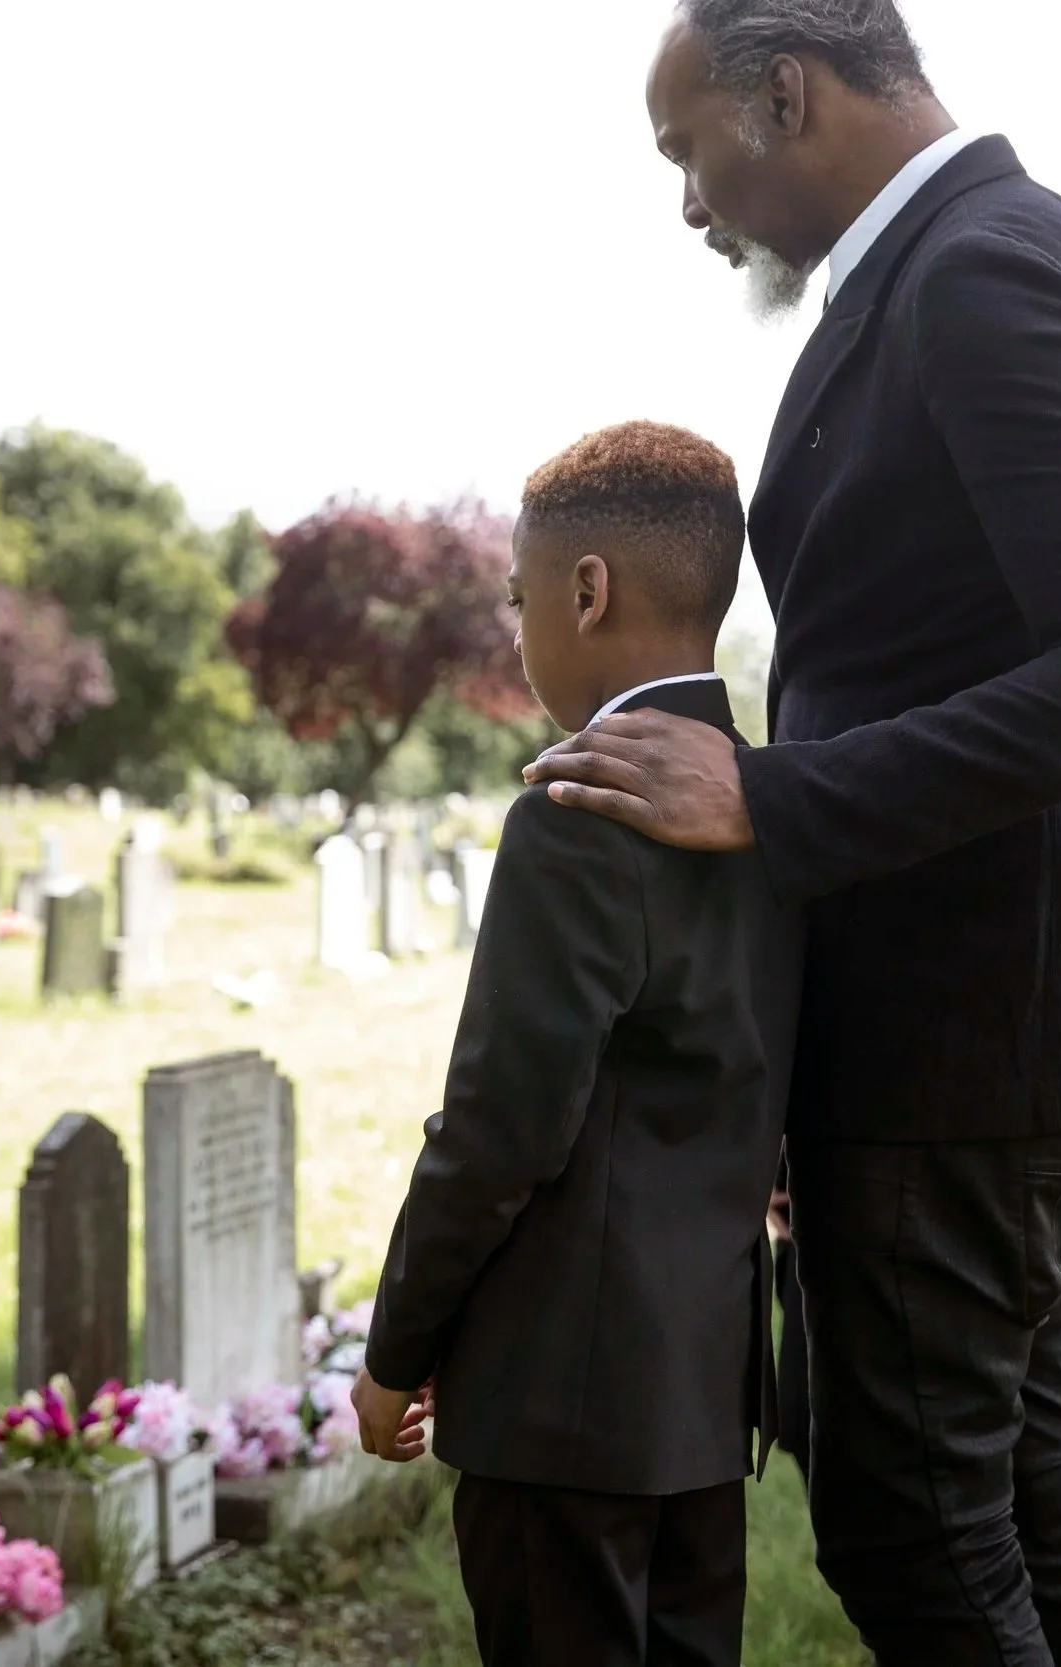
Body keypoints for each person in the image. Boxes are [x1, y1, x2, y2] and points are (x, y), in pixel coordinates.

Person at [525, 5, 1061, 1663]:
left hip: (972, 1053)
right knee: (1034, 1496)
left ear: (788, 90)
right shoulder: (936, 273)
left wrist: (767, 795)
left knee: (913, 1528)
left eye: (690, 149)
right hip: (1004, 1043)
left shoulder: (989, 265)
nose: (690, 205)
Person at [352, 420, 804, 1667]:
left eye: (519, 598)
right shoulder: (779, 803)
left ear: (586, 590)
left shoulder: (578, 812)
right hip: (704, 1391)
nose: (518, 631)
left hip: (558, 1401)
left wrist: (398, 1348)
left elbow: (502, 1124)